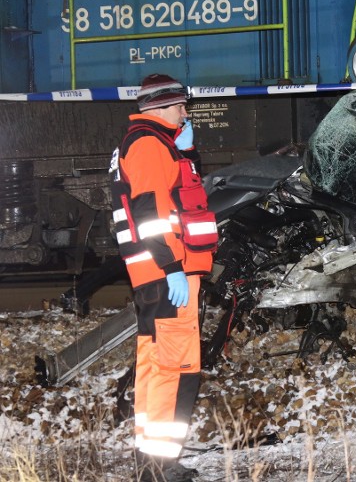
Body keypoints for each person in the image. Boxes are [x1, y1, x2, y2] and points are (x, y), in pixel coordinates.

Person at [110, 73, 218, 482]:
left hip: (159, 273)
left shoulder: (155, 145)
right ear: (156, 107)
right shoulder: (150, 146)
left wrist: (187, 154)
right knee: (177, 368)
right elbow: (151, 215)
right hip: (167, 272)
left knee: (158, 367)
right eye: (178, 106)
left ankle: (154, 463)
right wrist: (172, 267)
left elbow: (175, 195)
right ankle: (160, 467)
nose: (184, 112)